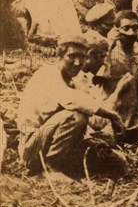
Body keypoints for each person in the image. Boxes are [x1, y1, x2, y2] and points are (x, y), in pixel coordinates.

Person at [16, 35, 125, 178]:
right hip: (31, 145)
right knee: (76, 117)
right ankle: (51, 168)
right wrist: (112, 116)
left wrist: (94, 140)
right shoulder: (48, 75)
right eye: (71, 56)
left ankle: (64, 166)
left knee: (117, 161)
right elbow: (75, 101)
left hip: (59, 144)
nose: (77, 62)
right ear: (60, 55)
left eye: (82, 57)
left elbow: (95, 122)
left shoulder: (76, 80)